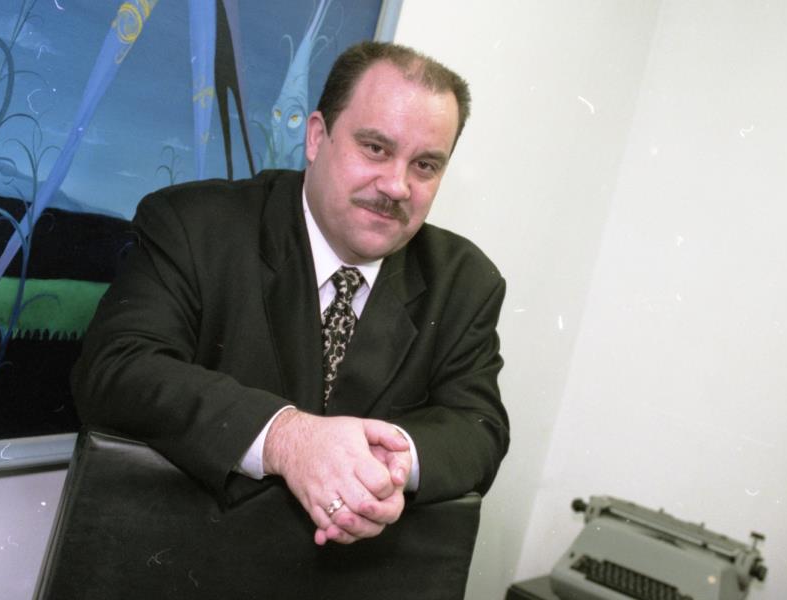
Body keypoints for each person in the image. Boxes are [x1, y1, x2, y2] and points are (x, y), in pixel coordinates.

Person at [71, 41, 509, 548]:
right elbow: (116, 368)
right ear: (317, 137)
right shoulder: (194, 225)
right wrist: (287, 438)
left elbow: (479, 429)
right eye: (375, 148)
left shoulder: (466, 281)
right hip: (182, 557)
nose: (397, 186)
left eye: (425, 165)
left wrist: (390, 461)